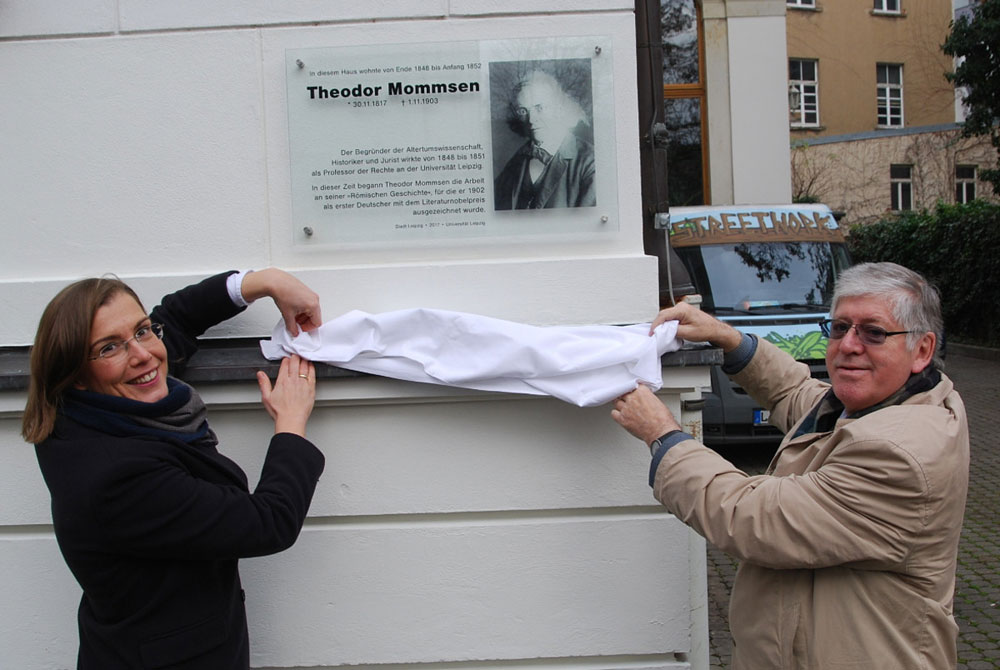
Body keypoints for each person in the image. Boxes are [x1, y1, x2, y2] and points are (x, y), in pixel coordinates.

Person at [611, 262, 969, 669]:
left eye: (874, 333)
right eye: (839, 328)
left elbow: (751, 517)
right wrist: (730, 340)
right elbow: (799, 394)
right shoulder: (893, 400)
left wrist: (664, 434)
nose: (850, 345)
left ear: (922, 349)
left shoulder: (899, 453)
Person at [22, 268, 327, 669]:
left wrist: (264, 282)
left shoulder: (84, 414)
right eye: (110, 348)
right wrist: (290, 423)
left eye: (143, 331)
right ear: (76, 374)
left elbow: (176, 320)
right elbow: (267, 522)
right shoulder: (118, 479)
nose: (143, 354)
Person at [494, 69, 596, 210]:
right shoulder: (515, 163)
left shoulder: (590, 163)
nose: (531, 119)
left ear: (559, 109)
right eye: (523, 111)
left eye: (539, 108)